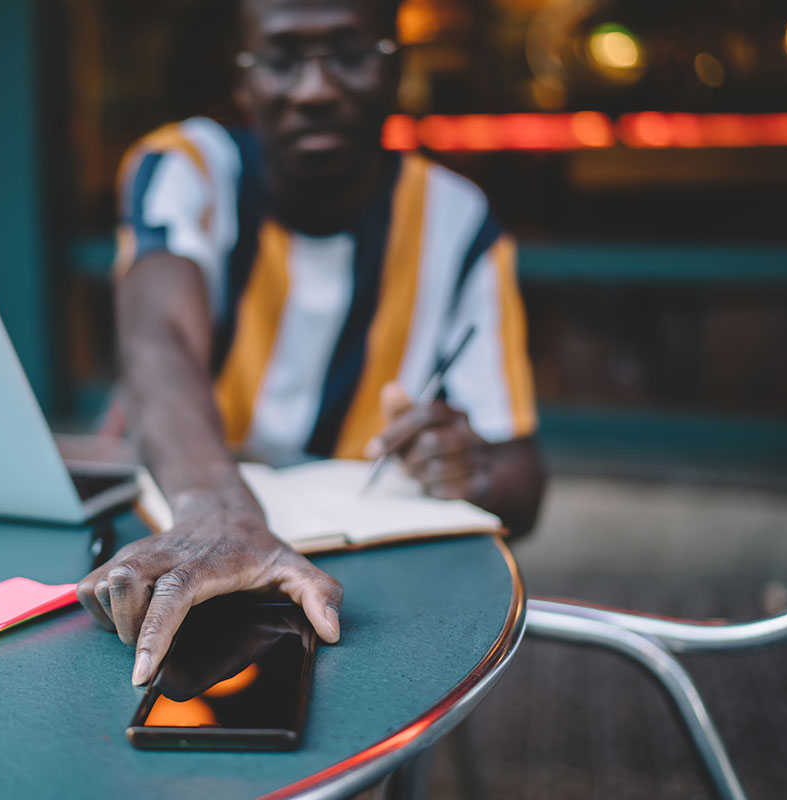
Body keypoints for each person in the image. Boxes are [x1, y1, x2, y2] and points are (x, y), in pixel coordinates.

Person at [77, 0, 546, 686]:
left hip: (356, 579)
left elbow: (524, 483)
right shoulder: (188, 167)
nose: (316, 89)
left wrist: (467, 468)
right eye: (281, 59)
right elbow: (156, 346)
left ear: (396, 71)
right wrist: (223, 516)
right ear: (243, 80)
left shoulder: (456, 218)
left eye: (350, 55)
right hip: (185, 516)